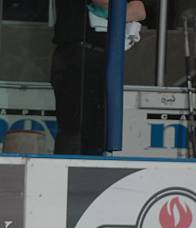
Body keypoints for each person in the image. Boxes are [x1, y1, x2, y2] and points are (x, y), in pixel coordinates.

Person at [51, 0, 145, 155]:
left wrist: (117, 10)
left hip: (104, 57)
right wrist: (118, 10)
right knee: (75, 127)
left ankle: (92, 172)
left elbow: (140, 11)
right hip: (77, 55)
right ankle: (69, 173)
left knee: (98, 130)